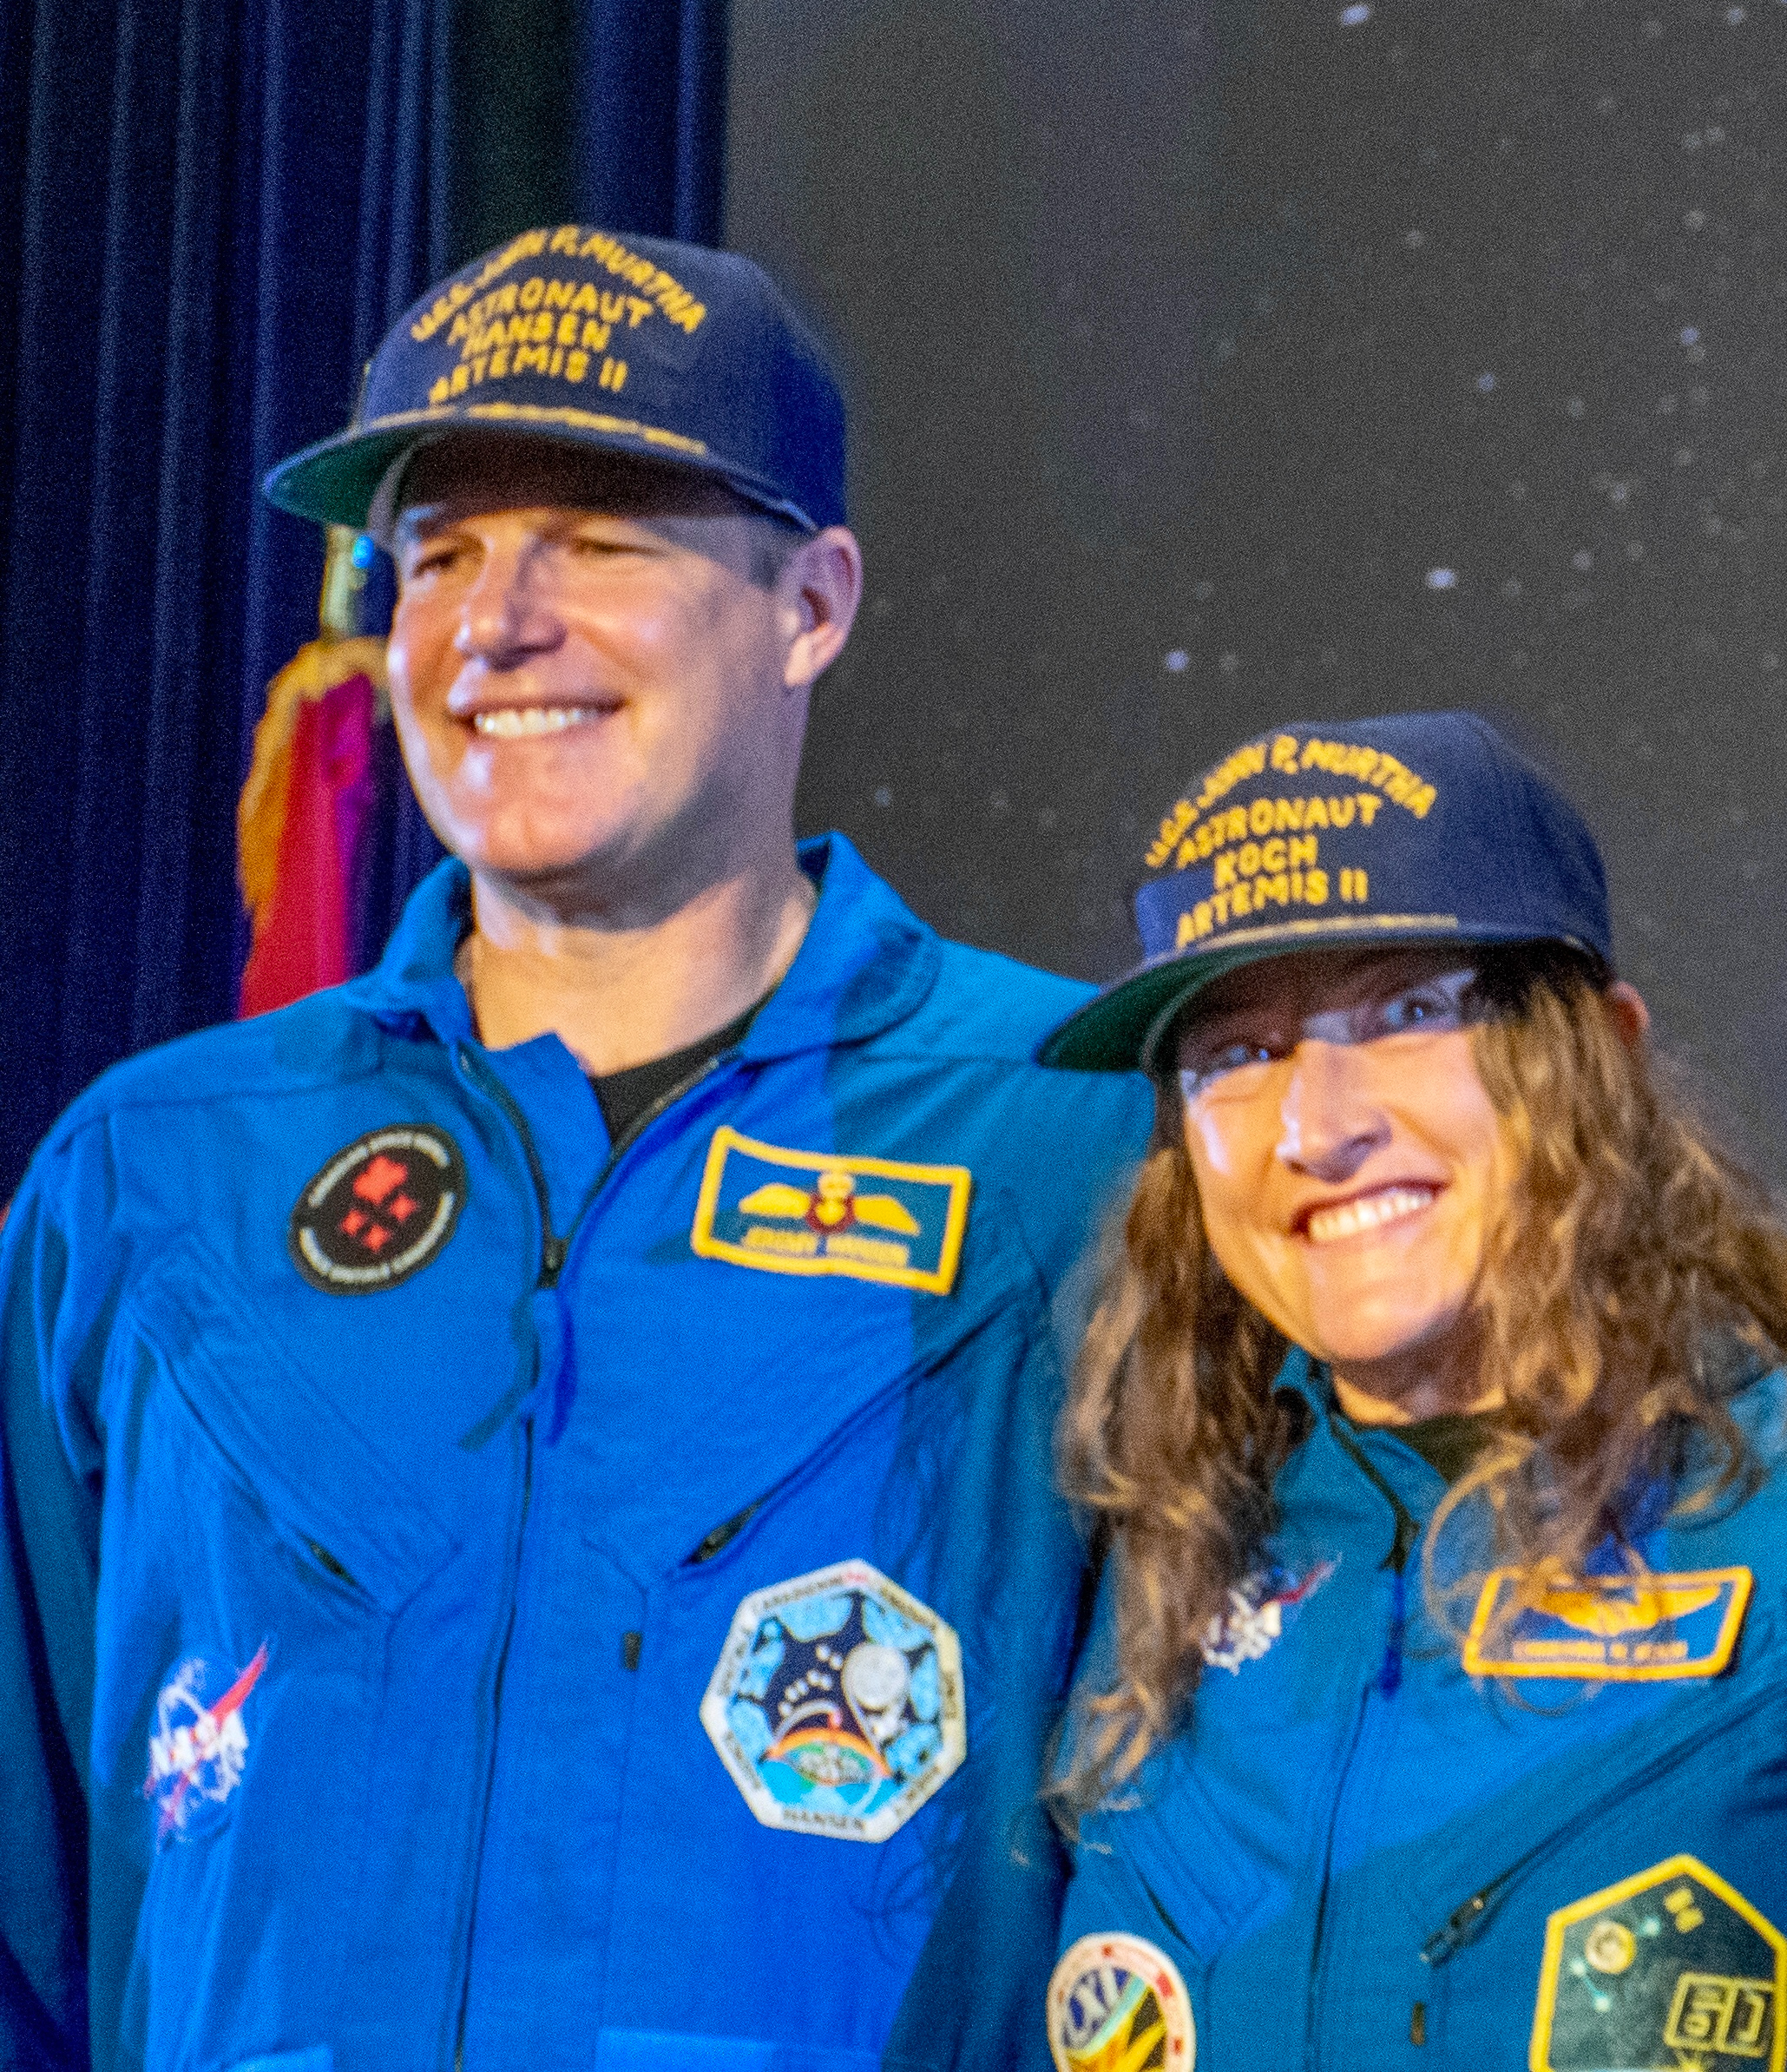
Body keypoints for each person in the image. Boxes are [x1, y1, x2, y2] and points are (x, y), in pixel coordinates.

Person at [0, 229, 1146, 2069]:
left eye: (601, 539)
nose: (494, 623)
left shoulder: (1078, 1143)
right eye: (436, 553)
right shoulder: (152, 1180)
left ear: (814, 603)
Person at [1013, 711, 1787, 2069]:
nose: (1317, 1126)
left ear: (1600, 1056)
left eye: (1409, 1013)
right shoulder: (1155, 1552)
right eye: (1237, 1053)